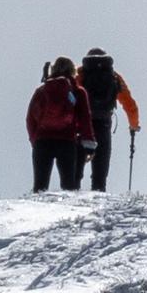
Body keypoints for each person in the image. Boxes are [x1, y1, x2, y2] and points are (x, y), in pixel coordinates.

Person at [27, 57, 93, 193]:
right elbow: (85, 119)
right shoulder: (78, 91)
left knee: (40, 186)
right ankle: (67, 213)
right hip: (67, 141)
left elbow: (30, 118)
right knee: (69, 187)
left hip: (42, 141)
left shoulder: (42, 90)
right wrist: (89, 145)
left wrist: (35, 139)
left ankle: (35, 212)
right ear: (73, 71)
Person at [80, 47, 141, 192]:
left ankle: (73, 191)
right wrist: (134, 125)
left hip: (83, 123)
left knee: (78, 163)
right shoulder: (113, 76)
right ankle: (98, 190)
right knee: (101, 162)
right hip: (104, 121)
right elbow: (130, 104)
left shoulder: (81, 73)